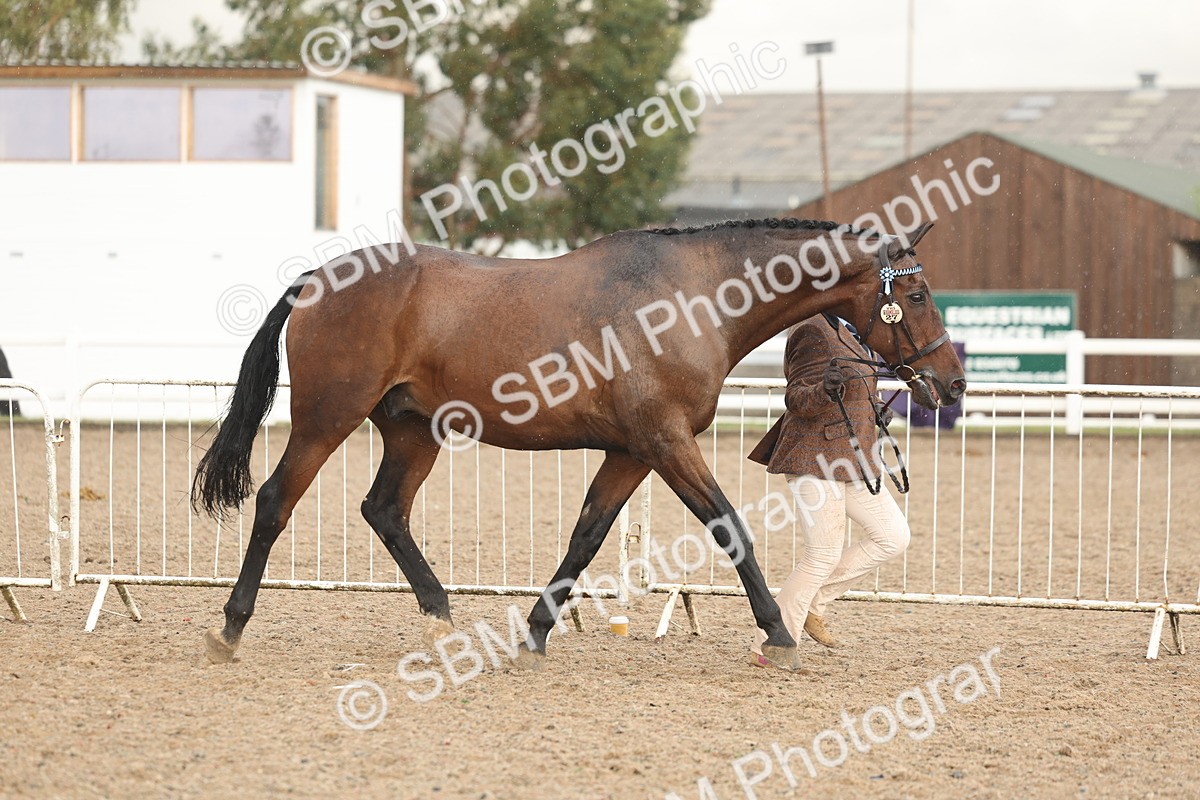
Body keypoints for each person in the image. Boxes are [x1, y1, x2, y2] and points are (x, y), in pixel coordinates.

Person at [746, 312, 910, 667]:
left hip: (854, 458)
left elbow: (858, 391)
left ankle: (812, 604)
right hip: (814, 458)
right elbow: (797, 398)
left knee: (893, 536)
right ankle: (770, 646)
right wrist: (824, 390)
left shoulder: (856, 331)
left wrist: (877, 410)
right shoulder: (811, 329)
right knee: (822, 553)